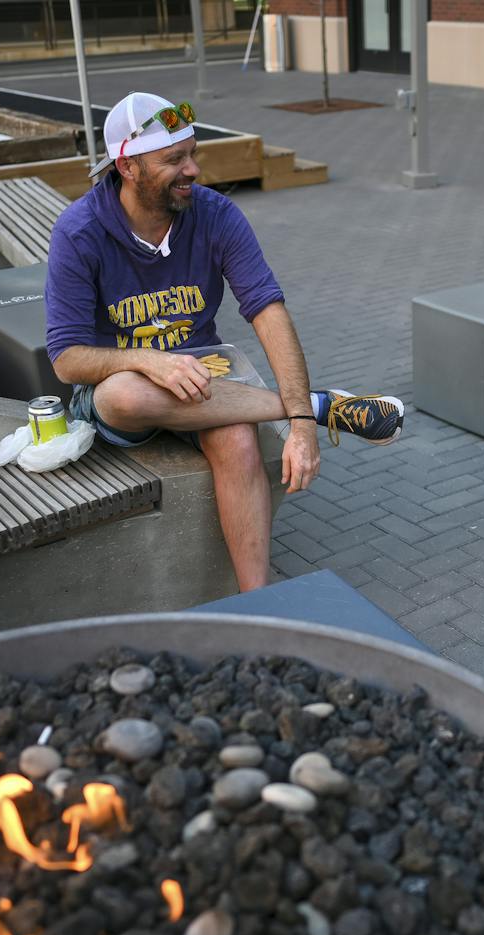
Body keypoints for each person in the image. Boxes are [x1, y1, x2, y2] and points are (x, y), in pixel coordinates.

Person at [45, 91, 404, 592]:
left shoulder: (215, 215)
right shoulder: (79, 232)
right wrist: (149, 361)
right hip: (124, 393)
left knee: (237, 435)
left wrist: (299, 429)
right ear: (127, 166)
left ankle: (258, 602)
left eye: (193, 153)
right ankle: (325, 405)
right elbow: (66, 359)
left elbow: (267, 309)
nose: (193, 169)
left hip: (208, 378)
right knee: (124, 392)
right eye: (174, 159)